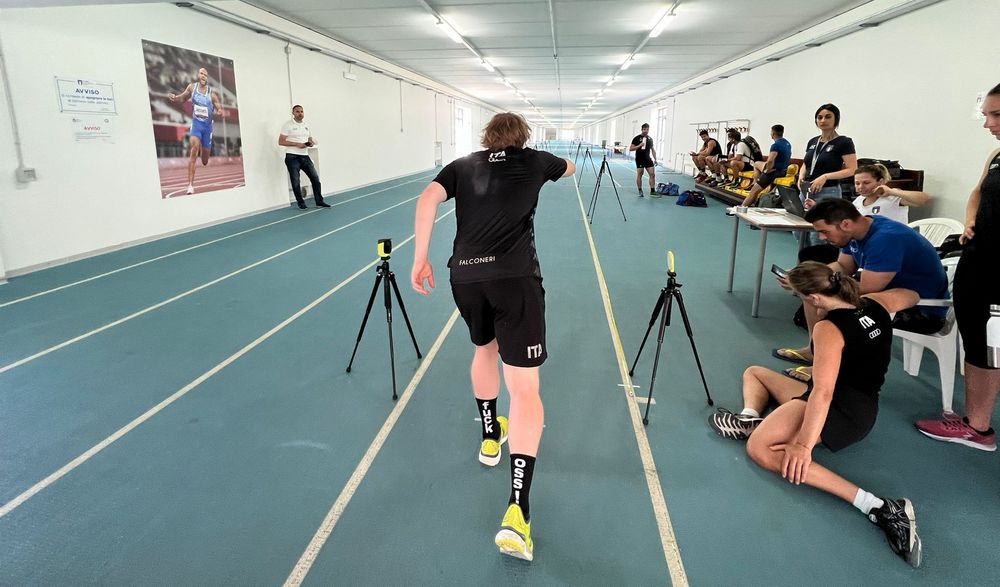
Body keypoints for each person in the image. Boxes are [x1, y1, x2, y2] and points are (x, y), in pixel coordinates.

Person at [410, 112, 575, 561]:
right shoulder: (536, 160)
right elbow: (571, 168)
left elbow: (427, 199)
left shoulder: (463, 165)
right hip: (514, 278)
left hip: (464, 277)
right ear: (523, 138)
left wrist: (420, 257)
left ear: (485, 137)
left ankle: (489, 436)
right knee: (524, 388)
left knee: (483, 349)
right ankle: (517, 511)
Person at [709, 263, 922, 567]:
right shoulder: (876, 303)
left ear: (814, 299)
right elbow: (909, 295)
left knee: (759, 448)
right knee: (755, 373)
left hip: (843, 411)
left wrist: (803, 446)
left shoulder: (828, 329)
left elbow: (822, 393)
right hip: (863, 405)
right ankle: (749, 417)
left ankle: (879, 506)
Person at [773, 199, 948, 382]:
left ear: (845, 224)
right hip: (892, 294)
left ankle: (827, 368)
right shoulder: (855, 232)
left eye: (825, 232)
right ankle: (814, 351)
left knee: (834, 304)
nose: (823, 238)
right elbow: (842, 265)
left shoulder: (885, 239)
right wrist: (805, 280)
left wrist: (824, 293)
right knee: (811, 292)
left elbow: (866, 290)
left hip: (923, 311)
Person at [914, 82, 1000, 451]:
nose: (987, 124)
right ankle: (975, 422)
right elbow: (978, 192)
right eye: (986, 115)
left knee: (988, 346)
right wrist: (969, 221)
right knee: (979, 345)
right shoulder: (997, 154)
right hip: (980, 259)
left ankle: (978, 427)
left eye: (995, 115)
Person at [799, 104, 858, 245]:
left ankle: (820, 266)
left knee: (819, 237)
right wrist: (801, 176)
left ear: (836, 119)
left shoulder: (844, 142)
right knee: (800, 232)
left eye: (828, 117)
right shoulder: (813, 141)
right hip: (806, 191)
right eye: (819, 117)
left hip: (827, 192)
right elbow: (806, 163)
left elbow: (852, 169)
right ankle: (805, 265)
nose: (823, 120)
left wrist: (825, 176)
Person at [167, 67, 224, 195]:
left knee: (204, 160)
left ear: (207, 78)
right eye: (201, 73)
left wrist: (219, 110)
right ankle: (190, 186)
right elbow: (182, 98)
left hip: (207, 128)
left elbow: (218, 105)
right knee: (194, 149)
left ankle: (204, 153)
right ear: (198, 75)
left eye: (205, 74)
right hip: (196, 125)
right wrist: (174, 97)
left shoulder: (211, 93)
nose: (203, 76)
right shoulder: (192, 88)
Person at [278, 105, 329, 209]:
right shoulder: (288, 125)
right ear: (293, 113)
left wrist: (310, 143)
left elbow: (310, 138)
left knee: (315, 179)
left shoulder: (306, 125)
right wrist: (297, 144)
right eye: (297, 111)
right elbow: (281, 141)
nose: (300, 113)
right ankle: (301, 203)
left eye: (302, 111)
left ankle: (319, 201)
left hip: (305, 156)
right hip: (292, 157)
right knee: (296, 181)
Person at [852, 163, 930, 224]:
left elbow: (925, 199)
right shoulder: (857, 201)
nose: (861, 187)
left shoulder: (893, 198)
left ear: (880, 182)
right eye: (857, 183)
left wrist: (892, 191)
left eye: (866, 183)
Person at [741, 125, 792, 207]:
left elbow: (771, 160)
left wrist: (767, 170)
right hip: (783, 171)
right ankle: (755, 182)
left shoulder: (775, 145)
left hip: (773, 172)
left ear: (773, 133)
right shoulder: (787, 143)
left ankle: (741, 209)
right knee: (756, 164)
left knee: (753, 192)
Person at [630, 123, 657, 197]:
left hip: (648, 159)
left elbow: (653, 150)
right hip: (639, 159)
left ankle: (652, 191)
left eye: (647, 129)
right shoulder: (636, 138)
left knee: (652, 174)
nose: (646, 131)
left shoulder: (650, 139)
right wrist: (639, 145)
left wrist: (655, 159)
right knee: (640, 174)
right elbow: (631, 148)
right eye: (644, 129)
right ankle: (640, 190)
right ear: (642, 129)